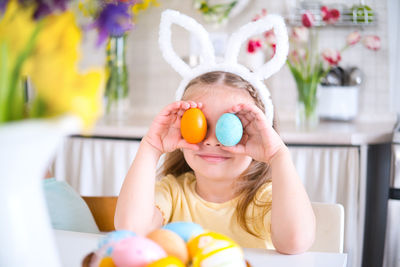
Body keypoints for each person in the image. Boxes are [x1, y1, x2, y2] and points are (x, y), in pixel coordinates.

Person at [114, 10, 316, 254]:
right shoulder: (173, 193)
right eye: (199, 125)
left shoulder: (263, 200)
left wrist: (278, 156)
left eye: (229, 127)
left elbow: (295, 243)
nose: (211, 141)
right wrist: (151, 147)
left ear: (260, 134)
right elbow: (131, 232)